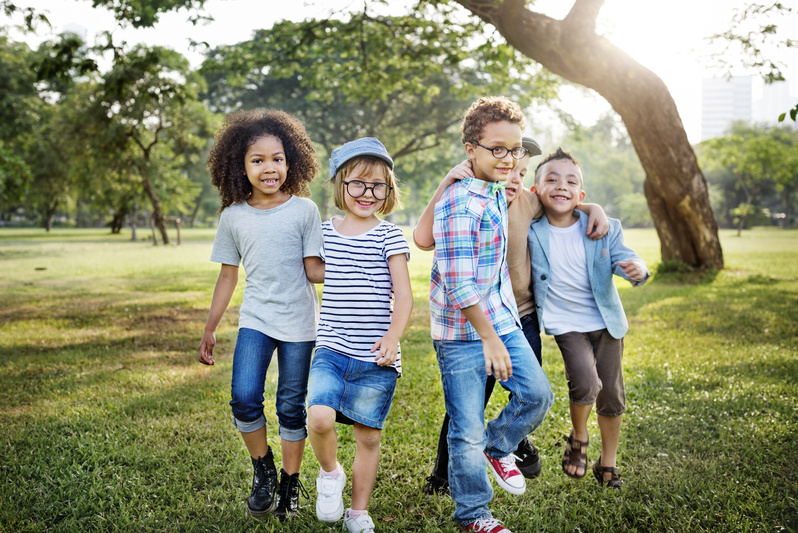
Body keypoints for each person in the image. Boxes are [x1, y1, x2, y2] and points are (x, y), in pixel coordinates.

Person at [414, 137, 610, 497]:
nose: (515, 177)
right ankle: (443, 475)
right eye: (510, 169)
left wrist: (593, 207)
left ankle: (510, 443)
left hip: (521, 318)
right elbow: (424, 240)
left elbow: (562, 203)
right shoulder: (468, 201)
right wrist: (446, 183)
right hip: (475, 322)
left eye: (522, 171)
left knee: (527, 390)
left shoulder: (527, 202)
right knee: (470, 403)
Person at [429, 96, 554, 533]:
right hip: (462, 332)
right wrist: (489, 338)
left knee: (538, 395)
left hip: (502, 319)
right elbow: (458, 282)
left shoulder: (498, 191)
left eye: (514, 149)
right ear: (471, 150)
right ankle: (474, 515)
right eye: (496, 149)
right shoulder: (460, 202)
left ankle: (497, 445)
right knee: (464, 428)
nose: (507, 158)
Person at [198, 108, 321, 521]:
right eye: (258, 159)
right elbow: (228, 277)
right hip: (256, 319)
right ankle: (263, 468)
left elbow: (314, 269)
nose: (269, 168)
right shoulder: (233, 218)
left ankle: (289, 482)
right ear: (240, 165)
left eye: (278, 158)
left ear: (292, 162)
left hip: (301, 322)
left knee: (291, 405)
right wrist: (210, 328)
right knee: (245, 398)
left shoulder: (305, 210)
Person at [304, 137, 413, 533]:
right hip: (331, 346)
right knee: (318, 417)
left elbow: (403, 294)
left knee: (368, 437)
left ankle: (358, 513)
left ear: (388, 191)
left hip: (375, 355)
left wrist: (392, 337)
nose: (367, 193)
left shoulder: (390, 236)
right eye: (357, 184)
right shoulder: (324, 232)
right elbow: (313, 271)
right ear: (340, 184)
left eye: (377, 186)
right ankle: (330, 472)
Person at [528, 147, 650, 490]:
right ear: (536, 190)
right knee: (585, 382)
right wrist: (587, 204)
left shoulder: (602, 226)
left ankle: (607, 464)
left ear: (580, 194)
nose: (560, 186)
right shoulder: (531, 229)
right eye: (551, 179)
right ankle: (579, 436)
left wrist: (636, 269)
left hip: (607, 323)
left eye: (570, 181)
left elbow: (625, 257)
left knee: (611, 394)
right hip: (567, 324)